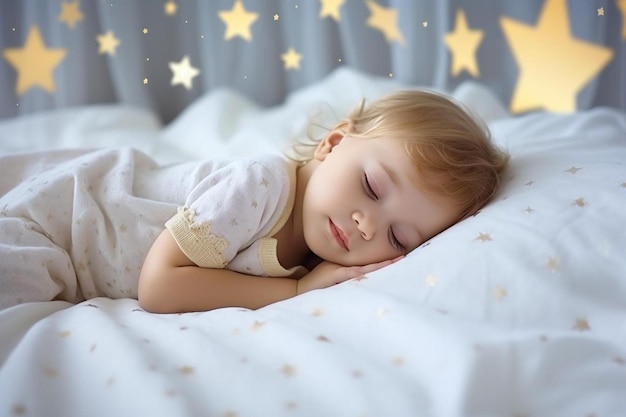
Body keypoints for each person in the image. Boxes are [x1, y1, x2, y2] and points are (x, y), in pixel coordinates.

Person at [0, 90, 508, 313]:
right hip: (63, 222)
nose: (368, 226)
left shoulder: (322, 251)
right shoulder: (262, 188)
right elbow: (159, 287)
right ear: (333, 143)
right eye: (373, 188)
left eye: (400, 236)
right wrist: (296, 292)